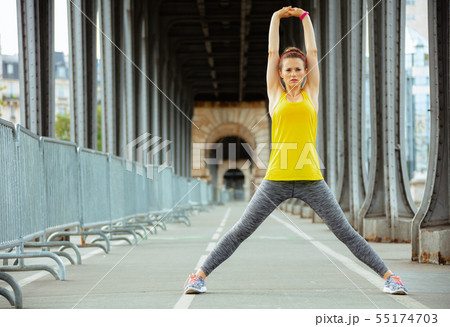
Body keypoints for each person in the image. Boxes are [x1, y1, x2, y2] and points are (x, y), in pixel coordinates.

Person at [183, 6, 408, 296]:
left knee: (345, 233)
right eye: (287, 70)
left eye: (297, 70)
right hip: (275, 179)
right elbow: (270, 54)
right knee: (241, 230)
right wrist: (275, 18)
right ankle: (198, 275)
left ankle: (391, 278)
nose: (292, 74)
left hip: (311, 179)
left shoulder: (310, 95)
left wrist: (304, 19)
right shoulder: (275, 96)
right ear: (280, 73)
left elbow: (312, 53)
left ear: (305, 74)